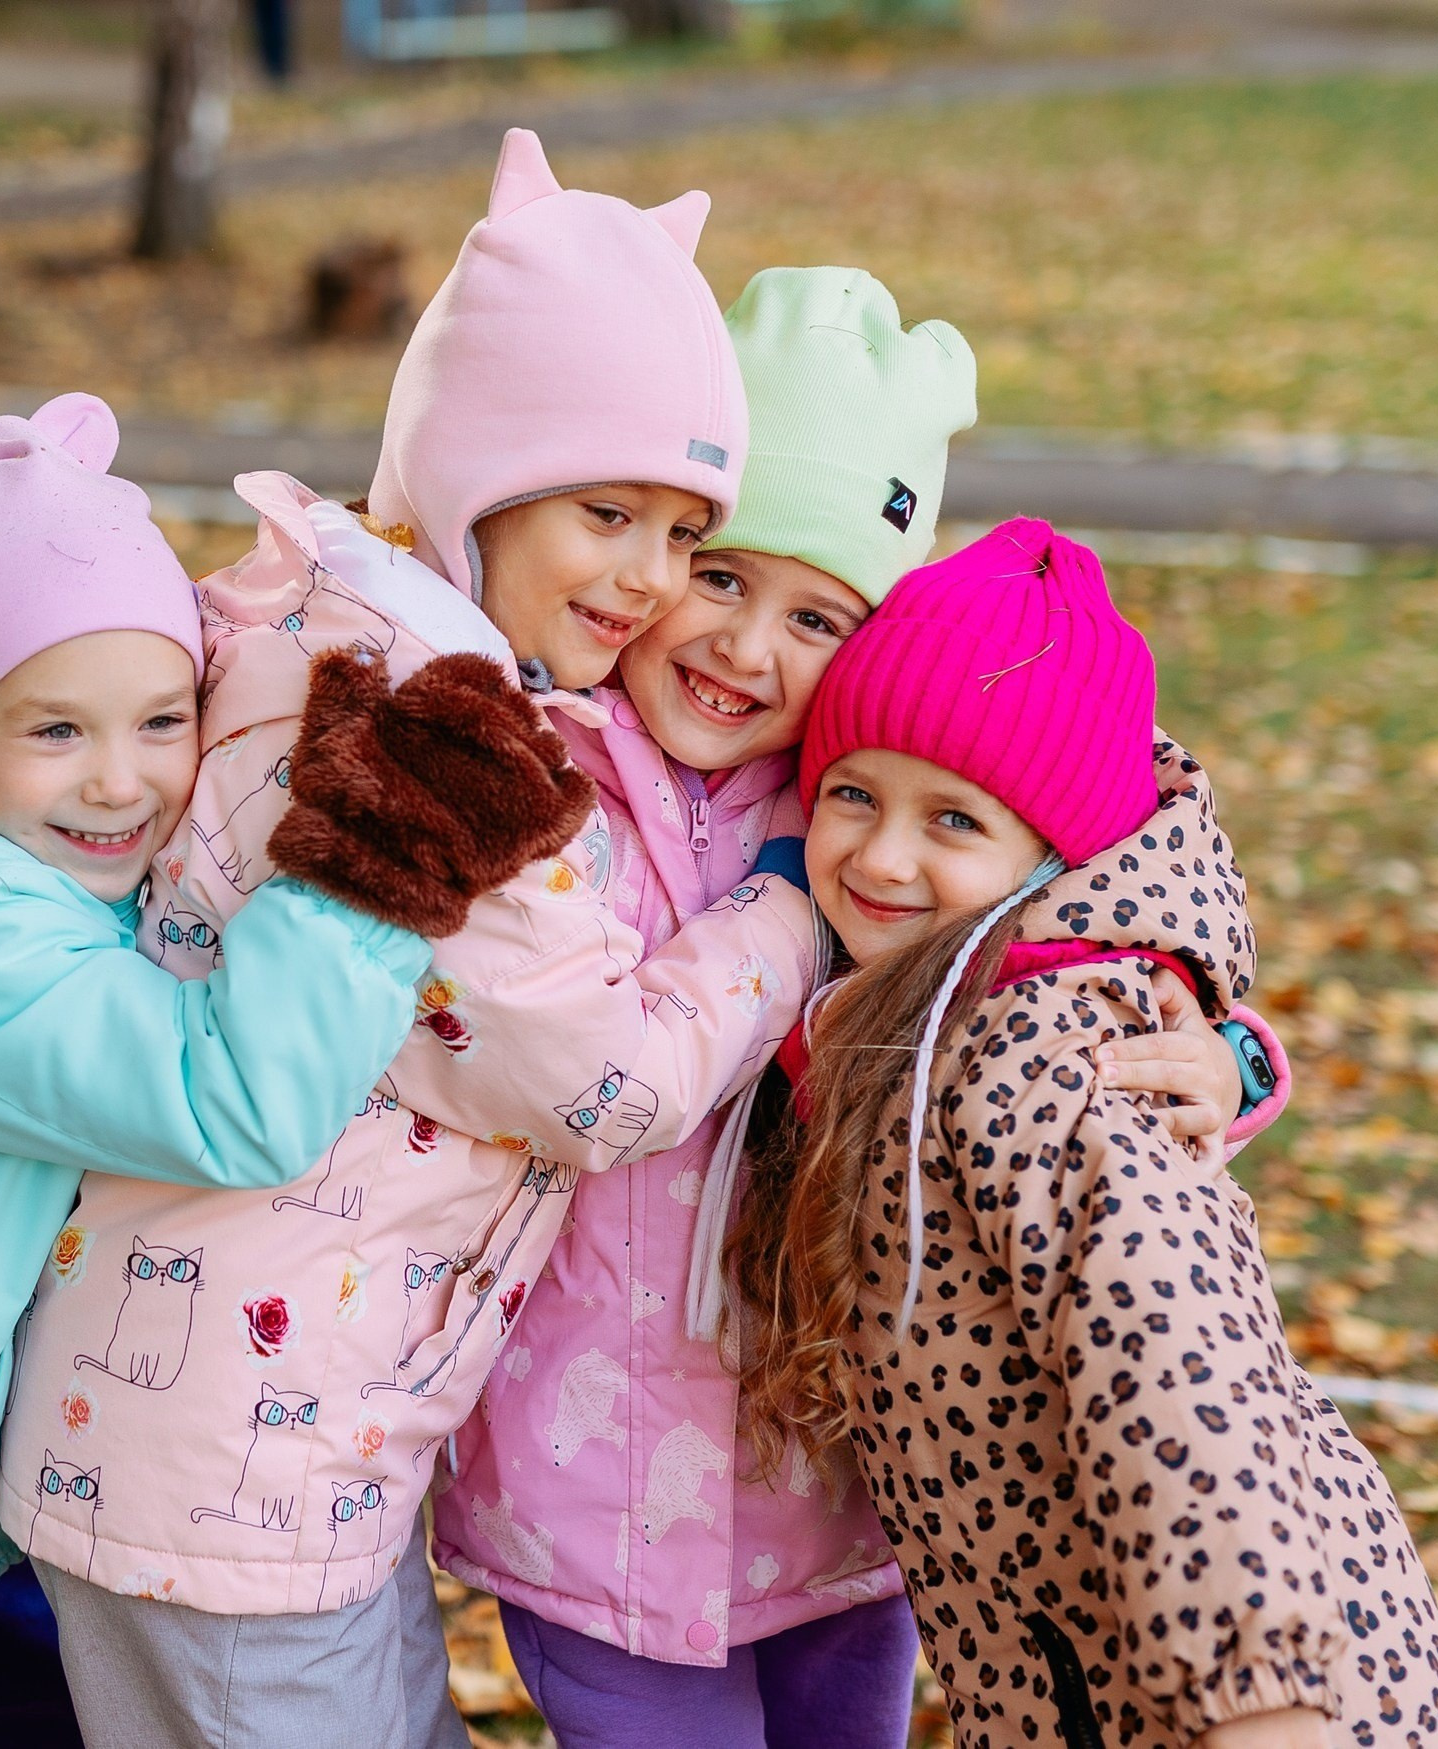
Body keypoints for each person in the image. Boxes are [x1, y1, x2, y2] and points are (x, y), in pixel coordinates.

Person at [0, 131, 824, 1749]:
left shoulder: (333, 614)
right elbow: (599, 1077)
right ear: (474, 469)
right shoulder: (428, 726)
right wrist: (782, 911)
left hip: (260, 1443)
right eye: (610, 512)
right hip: (230, 1476)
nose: (652, 581)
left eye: (681, 528)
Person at [0, 392, 584, 1748]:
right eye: (56, 730)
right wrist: (377, 860)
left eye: (164, 719)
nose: (123, 782)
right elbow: (231, 1099)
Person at [434, 266, 1280, 1749]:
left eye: (818, 615)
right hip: (588, 1493)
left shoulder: (888, 818)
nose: (747, 650)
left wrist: (1233, 1055)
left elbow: (1101, 935)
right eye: (719, 575)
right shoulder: (541, 776)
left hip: (850, 1482)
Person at [732, 519, 1438, 1749]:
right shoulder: (912, 1013)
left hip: (1223, 1686)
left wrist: (1262, 1706)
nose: (882, 853)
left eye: (954, 821)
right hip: (1090, 1673)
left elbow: (1182, 1371)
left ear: (1050, 855)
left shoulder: (1040, 1057)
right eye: (852, 794)